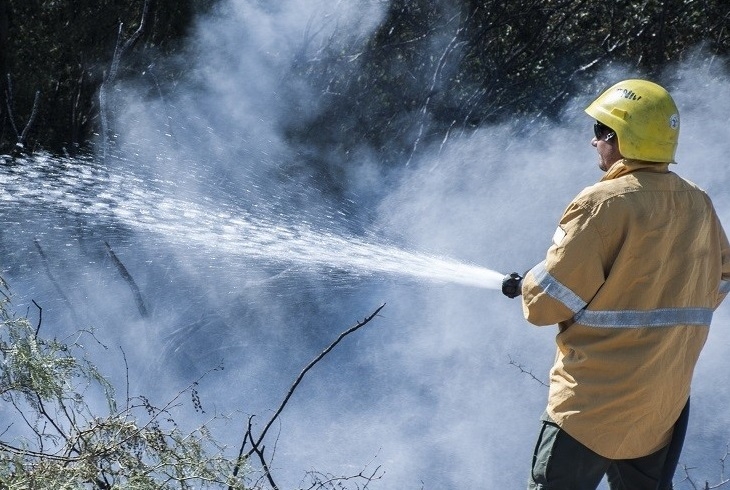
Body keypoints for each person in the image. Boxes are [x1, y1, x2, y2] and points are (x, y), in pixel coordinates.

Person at [501, 79, 730, 489]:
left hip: (591, 406)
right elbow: (720, 277)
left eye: (601, 131)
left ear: (623, 138)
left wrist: (527, 286)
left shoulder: (602, 203)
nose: (594, 141)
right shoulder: (698, 203)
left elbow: (546, 305)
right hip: (661, 405)